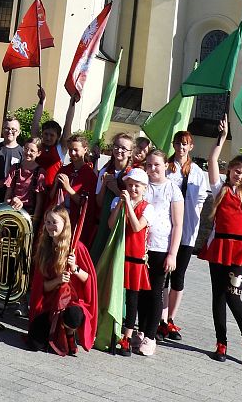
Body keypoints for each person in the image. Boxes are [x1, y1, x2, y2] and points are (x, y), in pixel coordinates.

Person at [198, 116, 242, 366]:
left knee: (233, 295)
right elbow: (212, 160)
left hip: (239, 251)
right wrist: (221, 137)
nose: (239, 175)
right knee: (218, 297)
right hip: (219, 248)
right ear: (229, 171)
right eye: (236, 170)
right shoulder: (220, 190)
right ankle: (221, 343)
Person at [28, 205, 98, 355]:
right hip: (50, 304)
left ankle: (69, 332)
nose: (50, 226)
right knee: (34, 344)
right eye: (47, 222)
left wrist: (75, 268)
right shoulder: (44, 248)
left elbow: (89, 281)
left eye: (54, 222)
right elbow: (42, 287)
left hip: (71, 302)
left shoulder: (77, 247)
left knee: (73, 315)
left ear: (64, 224)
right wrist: (58, 280)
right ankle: (54, 334)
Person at [160, 130, 209, 340]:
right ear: (173, 145)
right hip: (164, 232)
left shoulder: (198, 173)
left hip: (186, 232)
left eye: (185, 144)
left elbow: (200, 202)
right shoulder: (166, 169)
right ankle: (160, 319)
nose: (181, 147)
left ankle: (170, 318)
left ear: (191, 147)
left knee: (178, 277)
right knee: (163, 276)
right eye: (178, 143)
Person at [137, 151, 183, 355]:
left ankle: (150, 334)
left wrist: (172, 253)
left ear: (165, 165)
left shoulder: (172, 189)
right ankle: (140, 328)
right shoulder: (143, 185)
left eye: (156, 164)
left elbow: (178, 224)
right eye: (149, 165)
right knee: (140, 291)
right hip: (140, 246)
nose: (152, 168)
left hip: (160, 247)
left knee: (156, 292)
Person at [108, 166, 153, 356]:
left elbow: (136, 227)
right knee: (117, 295)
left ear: (144, 188)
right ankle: (112, 332)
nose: (133, 189)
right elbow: (111, 225)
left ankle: (126, 336)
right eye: (131, 185)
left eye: (137, 186)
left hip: (135, 259)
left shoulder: (148, 207)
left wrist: (130, 207)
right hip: (120, 255)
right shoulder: (118, 201)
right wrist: (121, 204)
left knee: (132, 299)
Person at [48, 133, 99, 246]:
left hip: (73, 222)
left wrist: (68, 188)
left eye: (76, 150)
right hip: (57, 220)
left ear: (85, 149)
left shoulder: (90, 175)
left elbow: (86, 205)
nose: (72, 153)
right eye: (70, 150)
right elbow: (51, 197)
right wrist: (56, 184)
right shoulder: (64, 169)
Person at [32, 89, 76, 177]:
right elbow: (35, 122)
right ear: (42, 134)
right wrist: (42, 101)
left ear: (58, 136)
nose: (48, 138)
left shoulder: (61, 148)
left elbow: (68, 123)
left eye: (52, 135)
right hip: (34, 188)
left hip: (52, 189)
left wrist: (72, 103)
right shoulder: (37, 145)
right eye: (46, 134)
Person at [5, 138, 46, 228]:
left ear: (38, 153)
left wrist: (34, 224)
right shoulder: (15, 168)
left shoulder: (40, 172)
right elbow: (7, 196)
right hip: (12, 210)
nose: (28, 152)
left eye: (32, 151)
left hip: (28, 215)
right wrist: (11, 201)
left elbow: (39, 202)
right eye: (26, 149)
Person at [96, 131, 135, 211]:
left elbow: (133, 204)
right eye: (116, 146)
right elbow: (99, 203)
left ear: (130, 153)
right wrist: (104, 184)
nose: (119, 150)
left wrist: (115, 189)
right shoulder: (105, 171)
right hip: (104, 216)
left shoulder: (132, 174)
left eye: (124, 148)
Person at [0, 115, 24, 182]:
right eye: (7, 128)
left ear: (18, 132)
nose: (10, 132)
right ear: (2, 130)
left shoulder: (23, 153)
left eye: (13, 129)